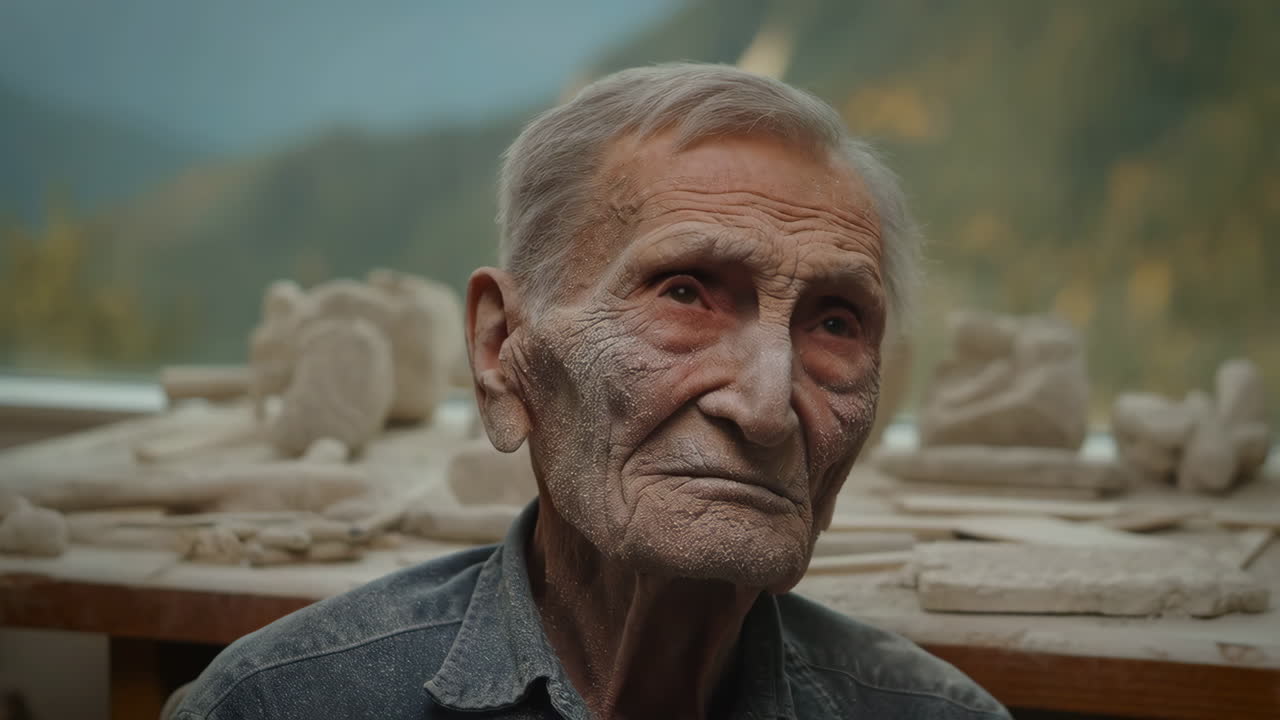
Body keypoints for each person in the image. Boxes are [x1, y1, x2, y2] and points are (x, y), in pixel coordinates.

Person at [172, 63, 1009, 720]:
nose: (763, 406)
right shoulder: (280, 706)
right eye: (684, 292)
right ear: (503, 350)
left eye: (833, 323)